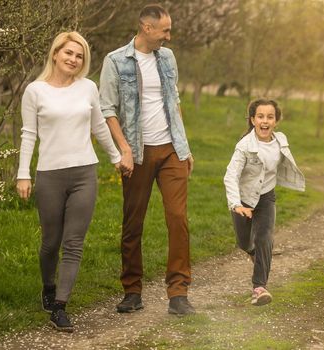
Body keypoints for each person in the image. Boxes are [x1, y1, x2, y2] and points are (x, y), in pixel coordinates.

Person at [16, 31, 122, 332]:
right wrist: (23, 173)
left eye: (79, 56)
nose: (74, 59)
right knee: (50, 243)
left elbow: (99, 126)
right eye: (69, 53)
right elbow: (29, 134)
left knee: (73, 243)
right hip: (49, 175)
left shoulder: (88, 87)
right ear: (55, 54)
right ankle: (48, 287)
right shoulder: (34, 91)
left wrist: (115, 156)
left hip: (84, 173)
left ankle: (60, 306)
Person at [99, 4, 195, 315]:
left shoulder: (167, 58)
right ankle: (132, 290)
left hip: (171, 150)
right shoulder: (115, 61)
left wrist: (185, 144)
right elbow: (108, 110)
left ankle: (178, 293)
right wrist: (124, 149)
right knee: (133, 221)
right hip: (137, 153)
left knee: (178, 219)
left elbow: (174, 99)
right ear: (146, 28)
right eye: (165, 30)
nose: (169, 36)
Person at [223, 99, 305, 306]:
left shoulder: (280, 141)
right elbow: (230, 175)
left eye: (270, 117)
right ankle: (255, 254)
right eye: (260, 116)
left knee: (264, 238)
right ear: (252, 120)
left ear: (276, 121)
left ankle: (259, 288)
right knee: (244, 242)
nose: (265, 121)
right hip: (243, 199)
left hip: (266, 197)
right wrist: (236, 204)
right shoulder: (244, 146)